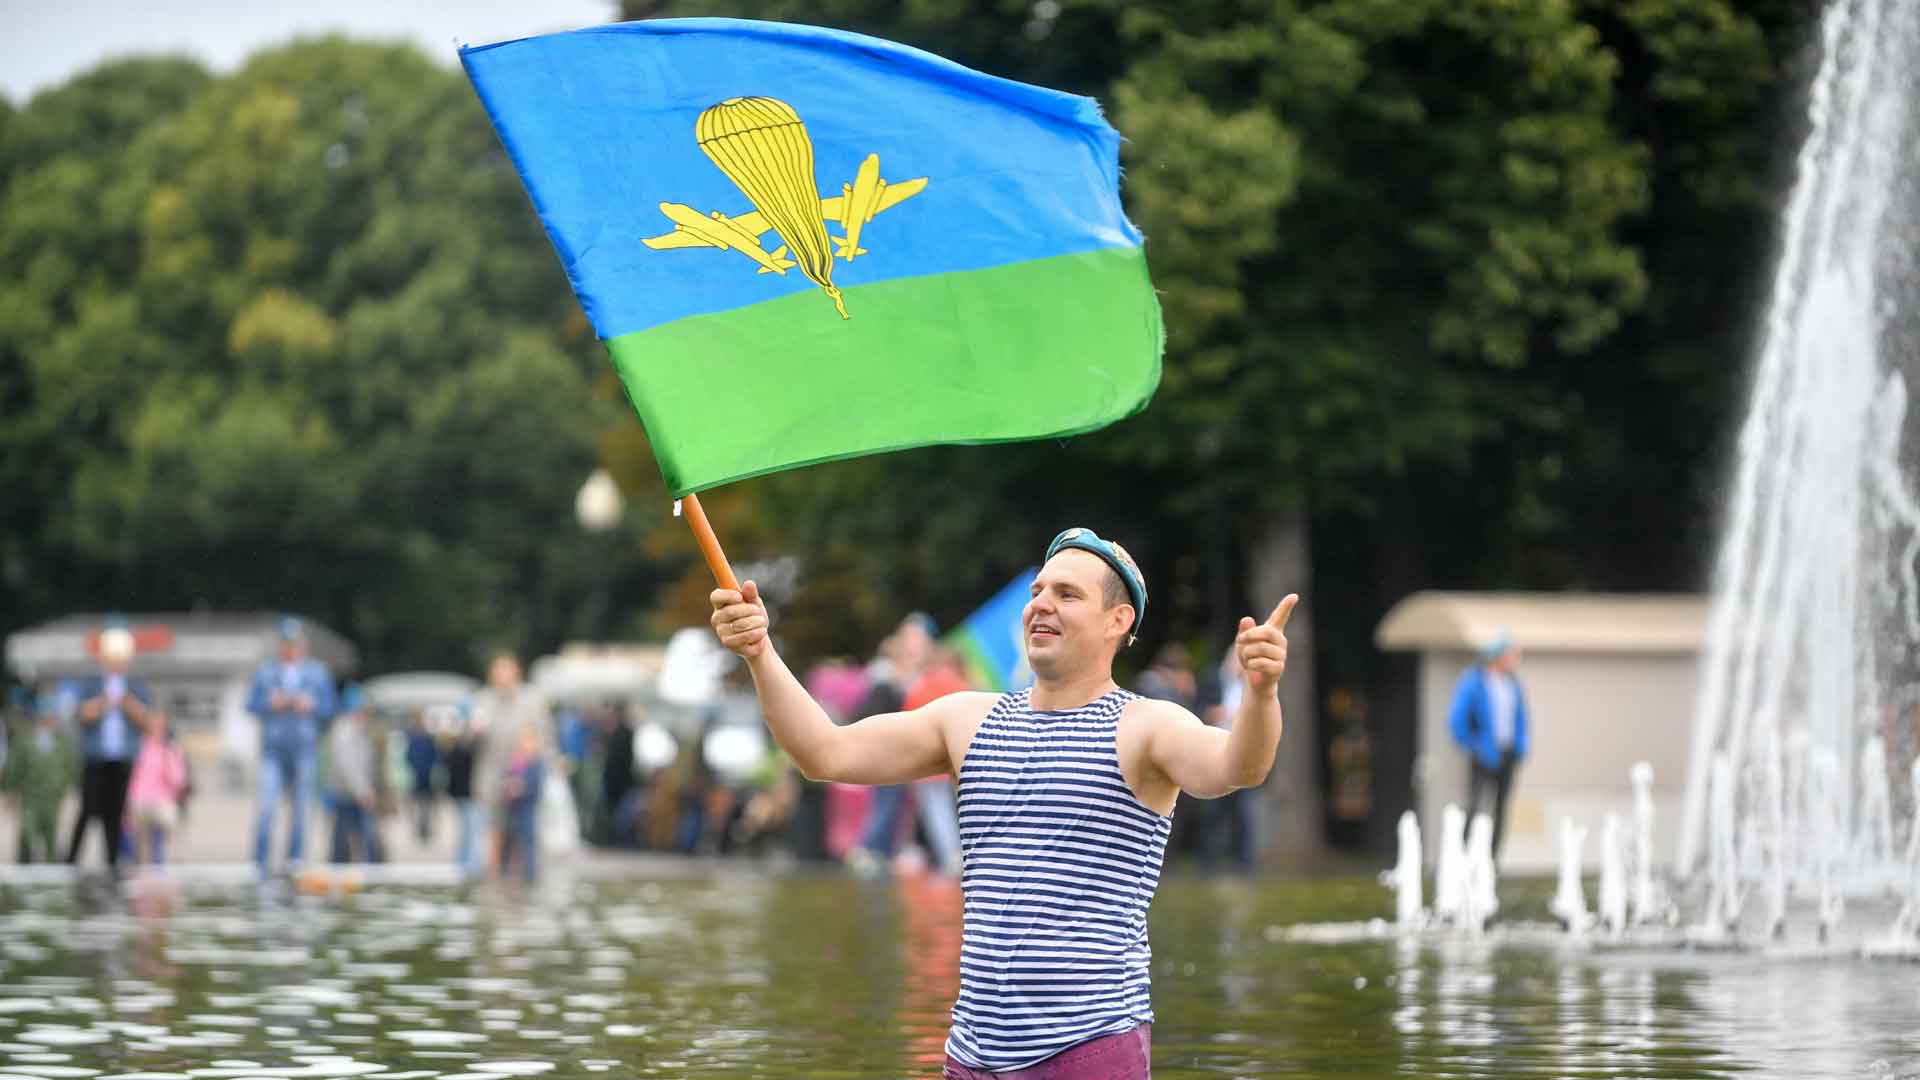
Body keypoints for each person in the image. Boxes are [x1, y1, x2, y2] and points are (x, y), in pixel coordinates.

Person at [711, 526, 1297, 1079]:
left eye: (1067, 594)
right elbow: (825, 753)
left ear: (1119, 621)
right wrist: (760, 651)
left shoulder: (1147, 726)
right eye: (1038, 590)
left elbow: (1238, 767)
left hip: (1090, 1045)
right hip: (974, 1052)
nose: (1041, 603)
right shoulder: (967, 719)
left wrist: (1261, 693)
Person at [246, 616, 337, 876]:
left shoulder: (317, 673)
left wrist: (312, 705)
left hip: (305, 749)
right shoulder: (266, 673)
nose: (290, 649)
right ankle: (259, 863)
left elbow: (331, 709)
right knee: (266, 808)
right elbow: (250, 706)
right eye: (286, 644)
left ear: (303, 645)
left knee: (301, 810)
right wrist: (268, 704)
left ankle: (295, 862)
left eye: (294, 644)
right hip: (273, 750)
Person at [845, 617, 934, 874]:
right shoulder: (885, 676)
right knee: (886, 800)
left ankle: (880, 850)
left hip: (901, 747)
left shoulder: (905, 676)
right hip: (886, 746)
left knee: (893, 802)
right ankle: (868, 848)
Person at [69, 626, 151, 871]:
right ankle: (70, 860)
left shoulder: (135, 684)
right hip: (95, 756)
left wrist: (126, 702)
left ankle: (112, 862)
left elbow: (147, 719)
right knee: (88, 809)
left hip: (123, 756)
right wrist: (104, 702)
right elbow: (81, 714)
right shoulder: (92, 682)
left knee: (116, 812)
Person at [470, 651, 553, 878]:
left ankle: (524, 875)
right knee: (495, 827)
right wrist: (475, 731)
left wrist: (530, 766)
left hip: (523, 774)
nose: (502, 675)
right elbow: (472, 740)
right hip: (492, 774)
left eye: (506, 669)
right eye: (498, 670)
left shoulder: (532, 699)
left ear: (516, 671)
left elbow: (544, 738)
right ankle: (495, 873)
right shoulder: (483, 700)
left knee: (524, 828)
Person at [1447, 632, 1530, 859]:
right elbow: (1457, 719)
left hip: (1508, 753)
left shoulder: (1513, 684)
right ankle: (1463, 857)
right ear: (1498, 656)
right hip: (1483, 754)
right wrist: (1473, 745)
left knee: (1500, 809)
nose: (1516, 659)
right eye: (1512, 654)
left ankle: (1492, 861)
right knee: (1475, 806)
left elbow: (1521, 718)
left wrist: (1521, 746)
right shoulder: (1474, 681)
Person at [904, 646, 972, 877]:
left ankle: (951, 856)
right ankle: (962, 855)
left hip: (928, 764)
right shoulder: (960, 685)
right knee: (960, 811)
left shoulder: (922, 684)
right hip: (957, 761)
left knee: (937, 813)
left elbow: (909, 721)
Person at [1197, 646, 1257, 871]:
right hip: (1214, 750)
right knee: (1212, 811)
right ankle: (1208, 863)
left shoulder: (1251, 684)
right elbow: (1197, 708)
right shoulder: (1212, 679)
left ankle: (1244, 863)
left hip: (1242, 755)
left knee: (1244, 814)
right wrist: (1213, 714)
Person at [3, 697, 77, 863]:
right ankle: (23, 868)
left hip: (52, 796)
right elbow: (15, 766)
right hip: (31, 795)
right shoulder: (25, 739)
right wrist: (9, 790)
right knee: (27, 835)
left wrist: (64, 787)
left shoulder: (62, 741)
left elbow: (69, 767)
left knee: (51, 835)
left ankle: (50, 872)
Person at [125, 708, 190, 867]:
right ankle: (140, 865)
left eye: (160, 724)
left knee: (168, 820)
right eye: (153, 723)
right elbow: (130, 780)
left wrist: (168, 755)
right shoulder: (138, 747)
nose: (156, 727)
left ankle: (169, 864)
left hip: (163, 801)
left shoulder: (171, 748)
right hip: (140, 802)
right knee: (138, 831)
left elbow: (179, 781)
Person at [327, 687, 381, 863]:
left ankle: (356, 866)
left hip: (353, 792)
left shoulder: (356, 729)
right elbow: (348, 765)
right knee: (351, 838)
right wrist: (363, 790)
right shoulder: (345, 731)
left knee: (348, 838)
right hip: (348, 793)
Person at [496, 724, 546, 882]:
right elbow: (505, 776)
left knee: (528, 841)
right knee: (509, 840)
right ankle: (507, 872)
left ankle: (530, 874)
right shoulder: (516, 760)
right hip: (512, 807)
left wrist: (521, 788)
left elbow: (536, 785)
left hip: (527, 806)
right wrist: (510, 785)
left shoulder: (537, 762)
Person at [440, 706, 484, 878]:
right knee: (469, 829)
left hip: (465, 792)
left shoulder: (459, 742)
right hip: (465, 793)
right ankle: (468, 864)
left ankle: (466, 862)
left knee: (469, 830)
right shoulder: (459, 743)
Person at [404, 712, 439, 845]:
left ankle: (425, 829)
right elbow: (408, 757)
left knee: (426, 807)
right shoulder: (413, 739)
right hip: (417, 778)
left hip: (427, 779)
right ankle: (419, 829)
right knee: (418, 806)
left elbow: (435, 756)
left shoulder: (428, 739)